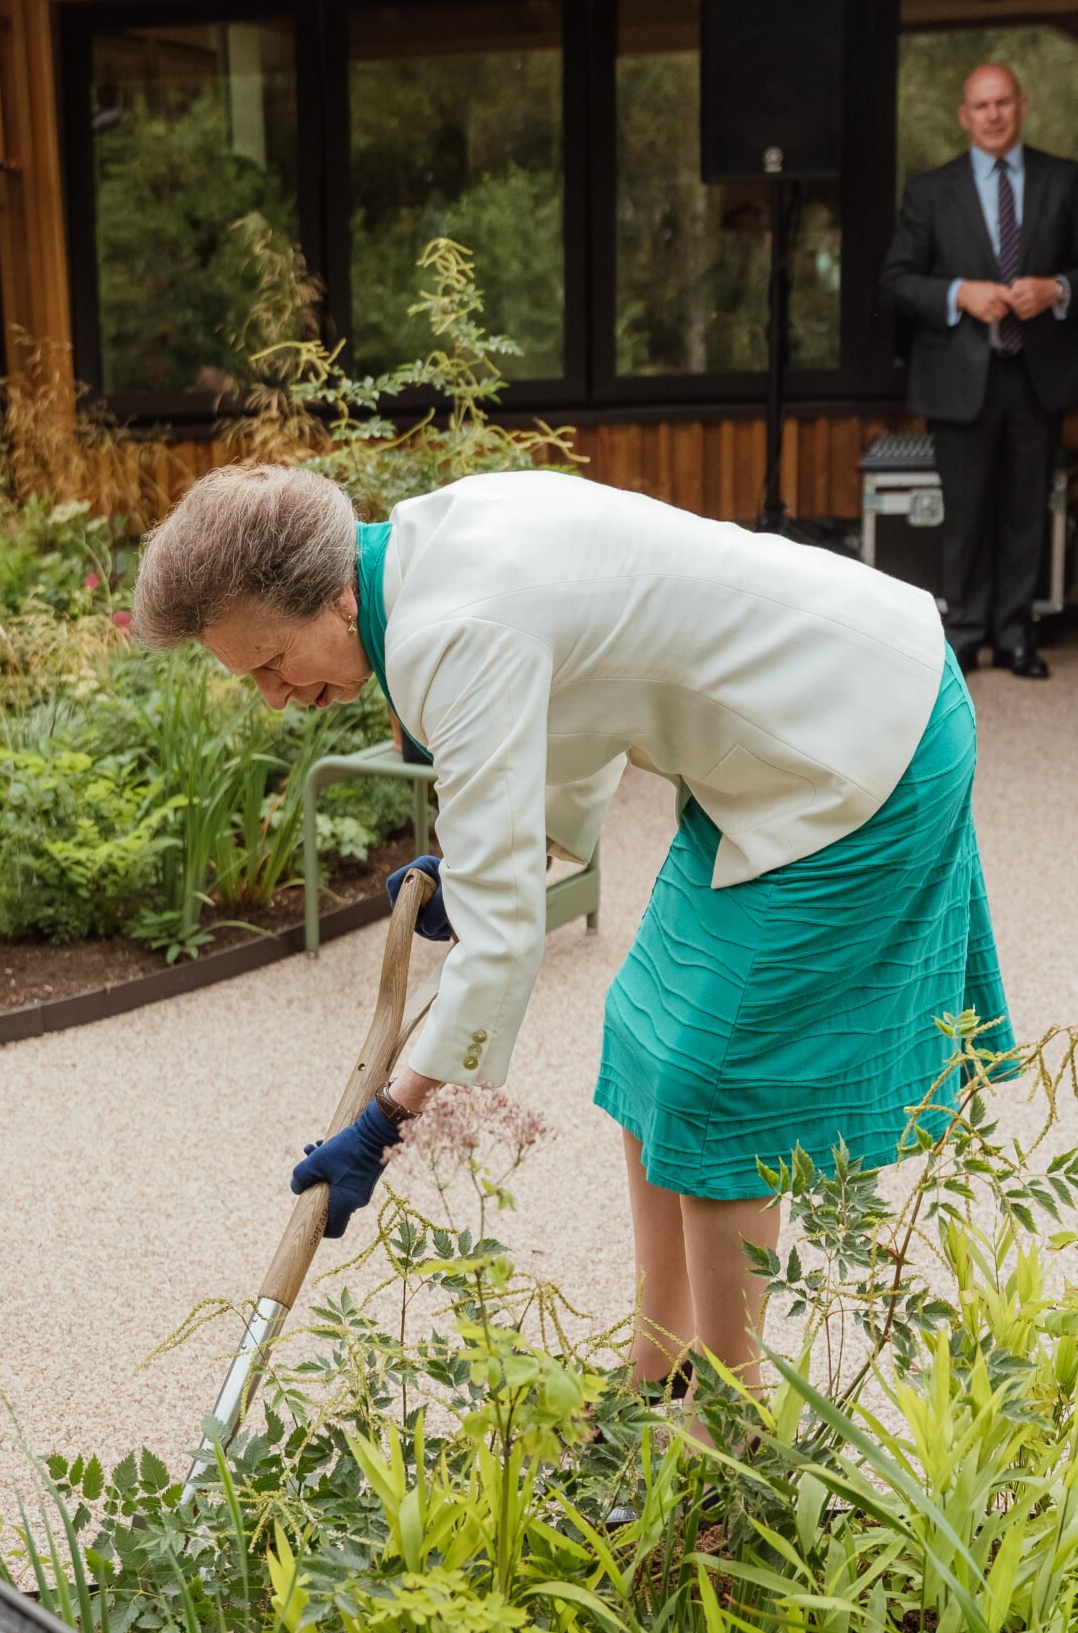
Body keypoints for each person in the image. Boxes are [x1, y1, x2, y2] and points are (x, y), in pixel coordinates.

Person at [132, 464, 1015, 1388]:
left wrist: (387, 1119)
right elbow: (575, 695)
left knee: (711, 1086)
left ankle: (731, 1417)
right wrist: (495, 863)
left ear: (335, 600)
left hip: (862, 733)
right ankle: (655, 1368)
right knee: (641, 1031)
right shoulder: (421, 549)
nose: (274, 696)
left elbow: (503, 943)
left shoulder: (446, 630)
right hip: (772, 741)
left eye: (271, 663)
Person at [880, 61, 1078, 679]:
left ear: (1022, 105)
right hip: (959, 378)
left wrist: (1059, 289)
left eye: (1002, 103)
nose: (993, 115)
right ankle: (964, 632)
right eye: (981, 106)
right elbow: (897, 282)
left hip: (1038, 374)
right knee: (963, 511)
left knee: (1027, 509)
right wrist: (959, 292)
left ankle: (1016, 634)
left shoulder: (1066, 180)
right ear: (964, 117)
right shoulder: (929, 191)